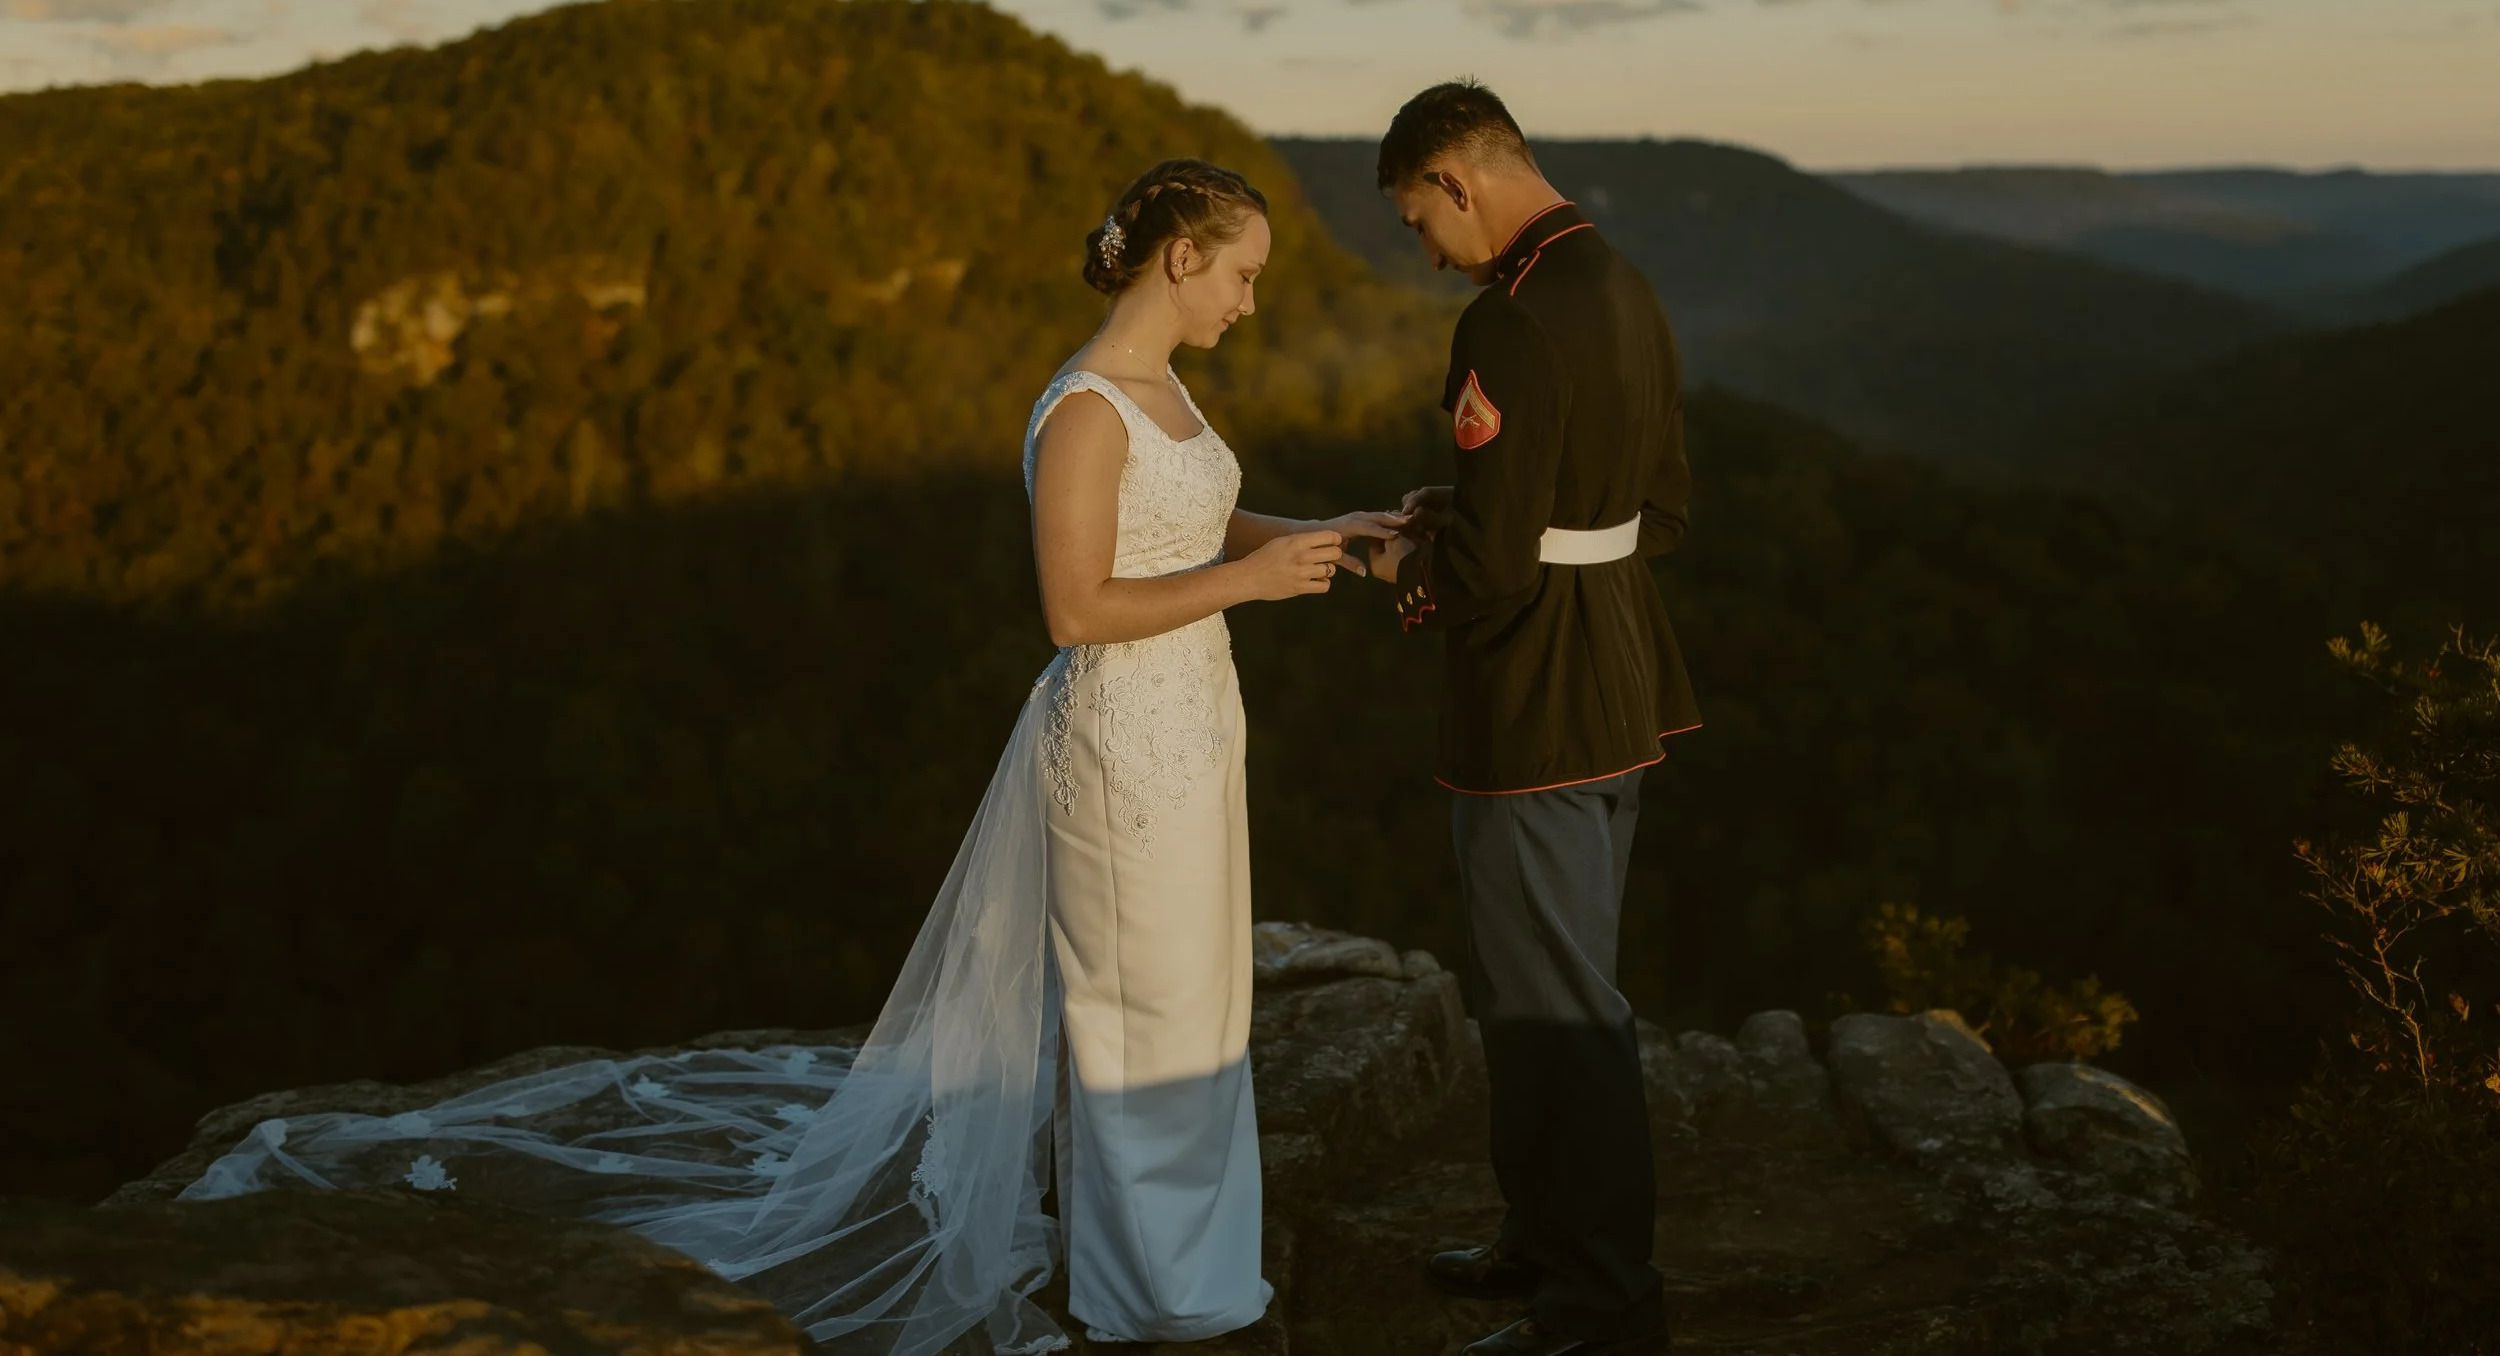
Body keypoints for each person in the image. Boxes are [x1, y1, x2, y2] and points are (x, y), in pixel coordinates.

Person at [177, 157, 1405, 1356]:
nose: (1249, 300)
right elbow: (1073, 606)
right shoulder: (1085, 404)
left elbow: (1188, 513)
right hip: (1123, 737)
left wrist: (1321, 532)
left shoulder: (1167, 391)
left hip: (1195, 720)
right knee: (1137, 1003)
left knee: (1195, 992)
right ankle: (1155, 1292)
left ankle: (1179, 1261)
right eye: (1241, 273)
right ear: (1181, 260)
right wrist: (1248, 583)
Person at [1367, 81, 1700, 1356]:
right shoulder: (1624, 284)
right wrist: (1471, 513)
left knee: (1558, 1010)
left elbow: (1496, 573)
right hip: (1622, 676)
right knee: (1540, 990)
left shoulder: (1503, 326)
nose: (1425, 248)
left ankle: (1600, 1306)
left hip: (1533, 707)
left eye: (1414, 220)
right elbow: (1655, 513)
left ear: (1456, 180)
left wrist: (1406, 564)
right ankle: (1544, 1239)